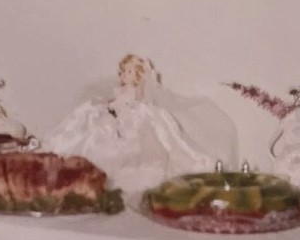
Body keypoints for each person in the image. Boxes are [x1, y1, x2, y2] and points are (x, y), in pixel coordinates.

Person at [42, 54, 216, 194]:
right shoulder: (119, 90)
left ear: (138, 75)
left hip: (129, 119)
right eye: (123, 72)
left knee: (130, 142)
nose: (124, 75)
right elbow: (115, 102)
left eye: (129, 72)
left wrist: (122, 108)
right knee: (92, 116)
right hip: (117, 115)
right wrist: (109, 107)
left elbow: (136, 105)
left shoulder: (135, 93)